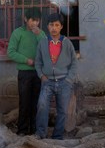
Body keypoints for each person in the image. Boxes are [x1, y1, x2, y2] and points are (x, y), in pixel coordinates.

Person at [34, 13, 78, 140]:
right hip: (47, 81)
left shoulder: (67, 43)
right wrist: (41, 76)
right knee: (42, 106)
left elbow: (74, 63)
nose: (54, 28)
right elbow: (38, 62)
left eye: (57, 25)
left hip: (64, 81)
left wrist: (69, 79)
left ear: (61, 27)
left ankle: (57, 136)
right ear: (47, 27)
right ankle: (41, 134)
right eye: (51, 25)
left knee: (62, 111)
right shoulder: (43, 42)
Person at [7, 8, 47, 136]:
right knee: (24, 102)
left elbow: (47, 48)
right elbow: (11, 52)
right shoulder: (18, 33)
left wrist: (39, 34)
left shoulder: (41, 34)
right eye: (32, 20)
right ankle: (22, 130)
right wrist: (26, 60)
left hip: (39, 73)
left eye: (37, 21)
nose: (35, 23)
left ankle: (35, 130)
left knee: (37, 103)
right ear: (25, 19)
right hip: (24, 73)